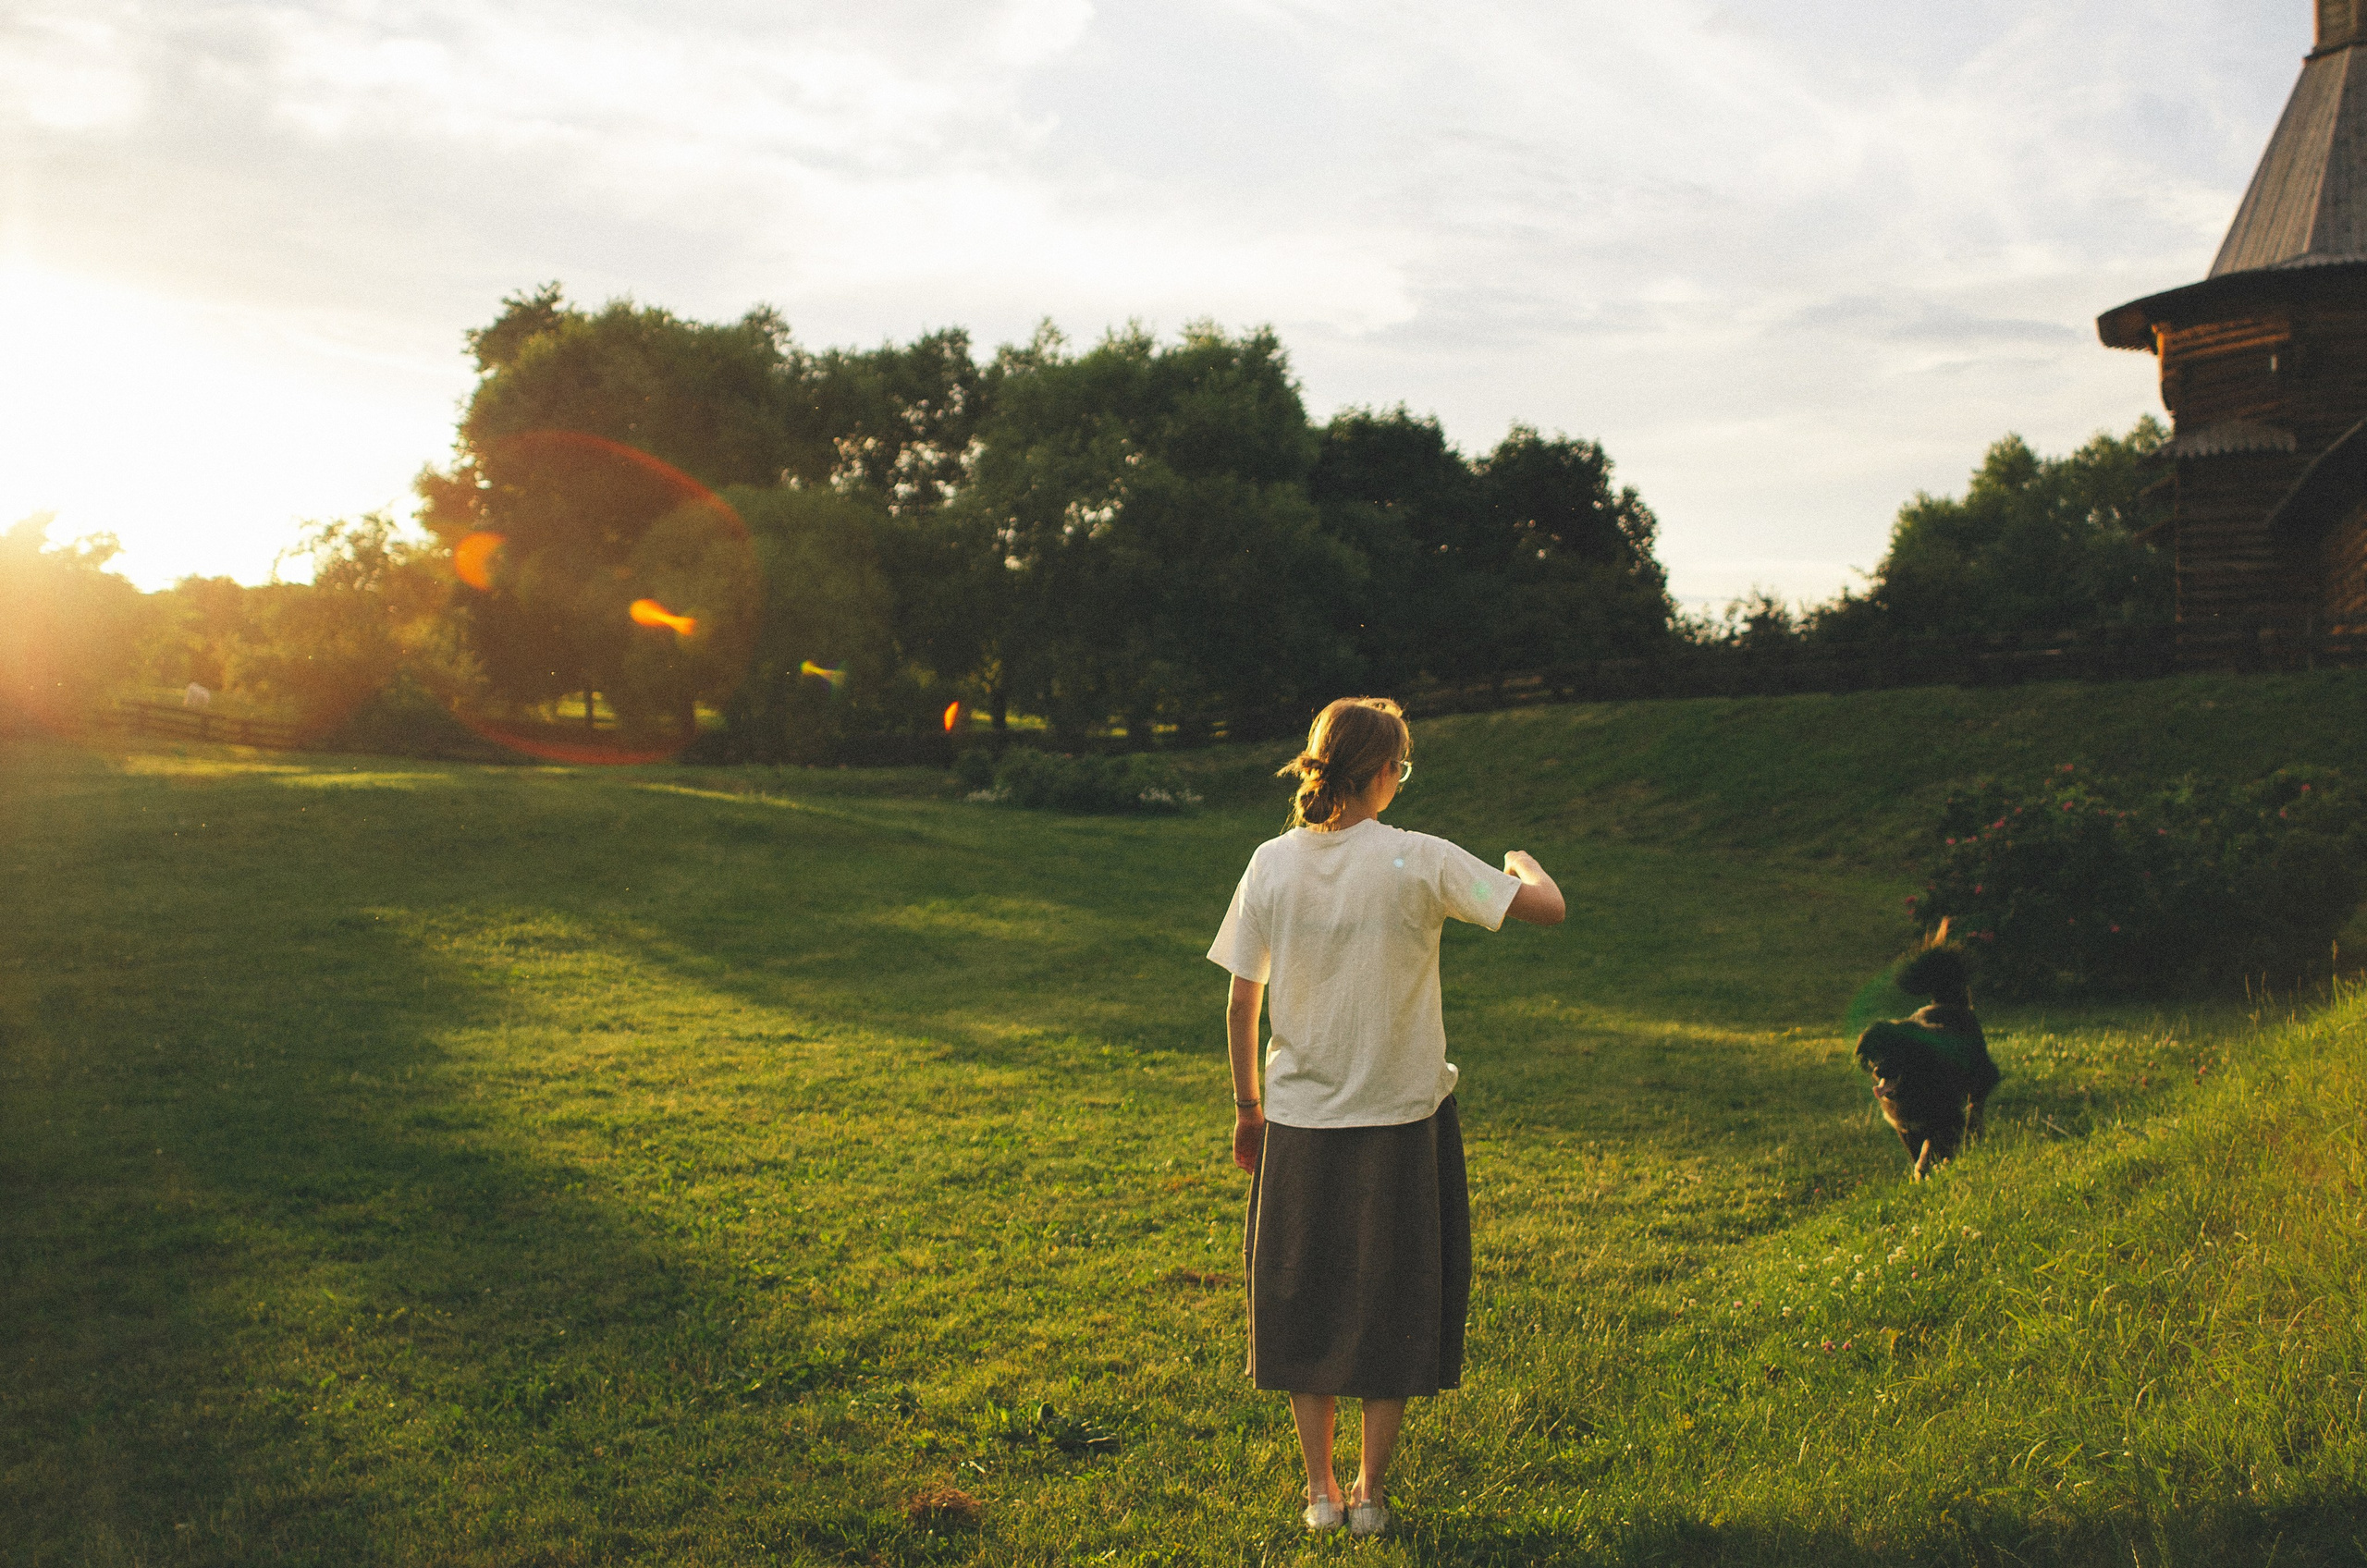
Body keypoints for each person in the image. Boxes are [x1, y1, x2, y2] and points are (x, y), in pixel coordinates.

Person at [1206, 696, 1564, 1536]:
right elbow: (1546, 908)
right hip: (1402, 1123)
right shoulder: (1421, 858)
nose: (1402, 779)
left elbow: (1241, 1002)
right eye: (1402, 766)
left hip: (1299, 1123)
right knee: (1390, 1298)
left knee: (1303, 1296)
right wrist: (1525, 863)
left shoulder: (1269, 863)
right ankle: (1370, 1495)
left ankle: (1320, 1493)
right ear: (1380, 772)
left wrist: (1248, 1109)